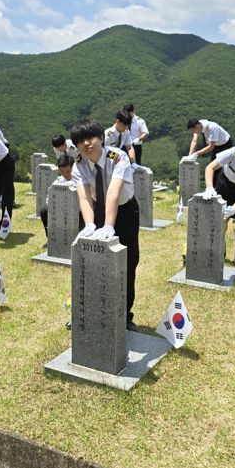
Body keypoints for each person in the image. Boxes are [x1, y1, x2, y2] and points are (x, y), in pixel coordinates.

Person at [71, 118, 140, 331]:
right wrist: (90, 225)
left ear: (101, 137)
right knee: (93, 261)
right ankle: (91, 310)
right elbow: (84, 198)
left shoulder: (117, 157)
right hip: (98, 209)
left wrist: (109, 226)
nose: (86, 144)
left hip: (125, 210)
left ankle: (124, 317)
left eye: (90, 138)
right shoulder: (79, 164)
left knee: (127, 264)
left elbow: (113, 192)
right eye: (80, 141)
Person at [39, 153, 83, 238]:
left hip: (77, 212)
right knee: (44, 211)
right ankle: (51, 237)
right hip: (61, 210)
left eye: (68, 171)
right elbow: (50, 198)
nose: (65, 174)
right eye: (62, 172)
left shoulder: (80, 180)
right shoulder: (58, 181)